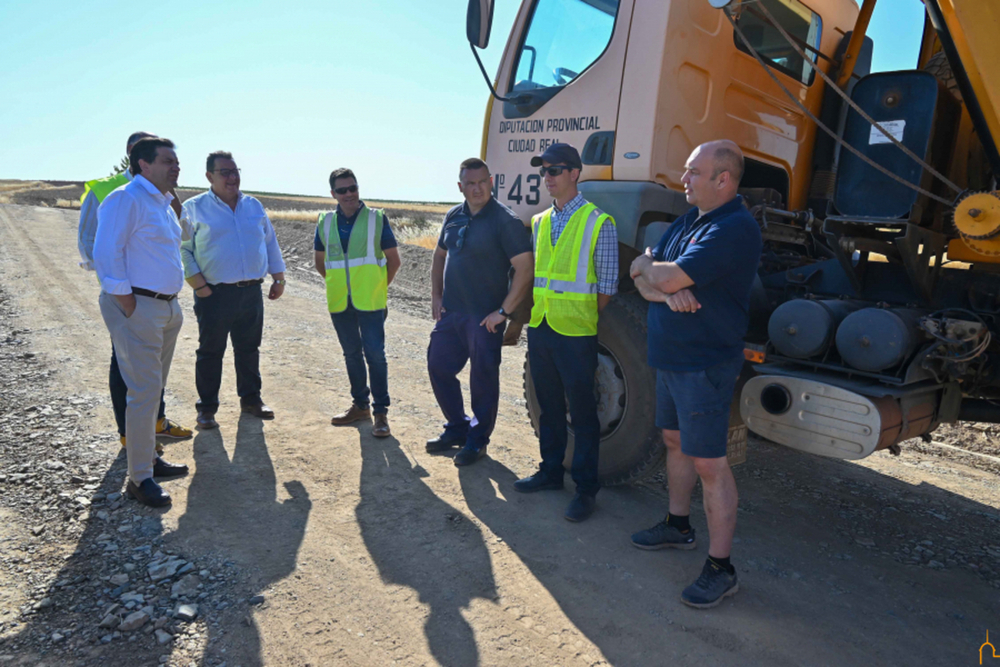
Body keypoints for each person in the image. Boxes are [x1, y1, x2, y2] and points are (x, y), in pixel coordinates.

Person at [628, 140, 762, 609]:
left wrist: (658, 274)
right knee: (673, 440)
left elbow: (656, 274)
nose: (682, 179)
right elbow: (639, 275)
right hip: (672, 356)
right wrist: (662, 284)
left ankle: (721, 569)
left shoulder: (734, 228)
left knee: (710, 462)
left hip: (704, 363)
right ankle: (678, 525)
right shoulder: (691, 221)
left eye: (692, 172)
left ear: (723, 179)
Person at [512, 143, 618, 522]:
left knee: (584, 414)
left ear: (575, 173)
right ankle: (551, 473)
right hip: (541, 328)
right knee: (549, 407)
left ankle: (586, 490)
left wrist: (577, 315)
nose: (547, 178)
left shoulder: (598, 222)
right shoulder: (540, 221)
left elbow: (606, 288)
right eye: (544, 171)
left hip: (575, 333)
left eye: (554, 171)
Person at [78, 131, 192, 456]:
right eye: (168, 160)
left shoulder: (163, 197)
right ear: (141, 160)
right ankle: (137, 454)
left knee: (151, 383)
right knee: (133, 379)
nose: (176, 167)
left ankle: (151, 439)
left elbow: (180, 238)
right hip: (132, 302)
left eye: (176, 161)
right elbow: (97, 247)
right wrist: (123, 297)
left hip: (161, 304)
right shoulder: (118, 194)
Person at [427, 158, 533, 466]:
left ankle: (477, 440)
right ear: (461, 187)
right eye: (470, 184)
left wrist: (504, 312)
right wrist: (435, 295)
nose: (477, 188)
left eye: (482, 182)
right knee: (438, 367)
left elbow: (525, 269)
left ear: (492, 181)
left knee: (483, 379)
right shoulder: (453, 216)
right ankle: (458, 427)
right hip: (452, 314)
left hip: (484, 318)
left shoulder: (505, 221)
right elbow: (439, 256)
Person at [180, 151, 287, 429]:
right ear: (209, 176)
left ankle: (251, 399)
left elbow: (269, 242)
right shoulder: (193, 208)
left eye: (235, 170)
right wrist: (199, 286)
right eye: (224, 172)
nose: (232, 177)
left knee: (249, 349)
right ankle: (206, 409)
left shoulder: (253, 206)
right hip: (213, 294)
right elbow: (184, 250)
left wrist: (279, 277)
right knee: (210, 352)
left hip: (251, 292)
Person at [314, 168, 401, 437]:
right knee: (352, 355)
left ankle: (381, 414)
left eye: (353, 188)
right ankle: (360, 406)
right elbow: (320, 262)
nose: (349, 194)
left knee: (375, 356)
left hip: (371, 302)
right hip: (341, 303)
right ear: (333, 194)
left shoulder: (376, 218)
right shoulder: (325, 222)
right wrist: (341, 286)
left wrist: (377, 289)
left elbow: (394, 261)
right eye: (342, 190)